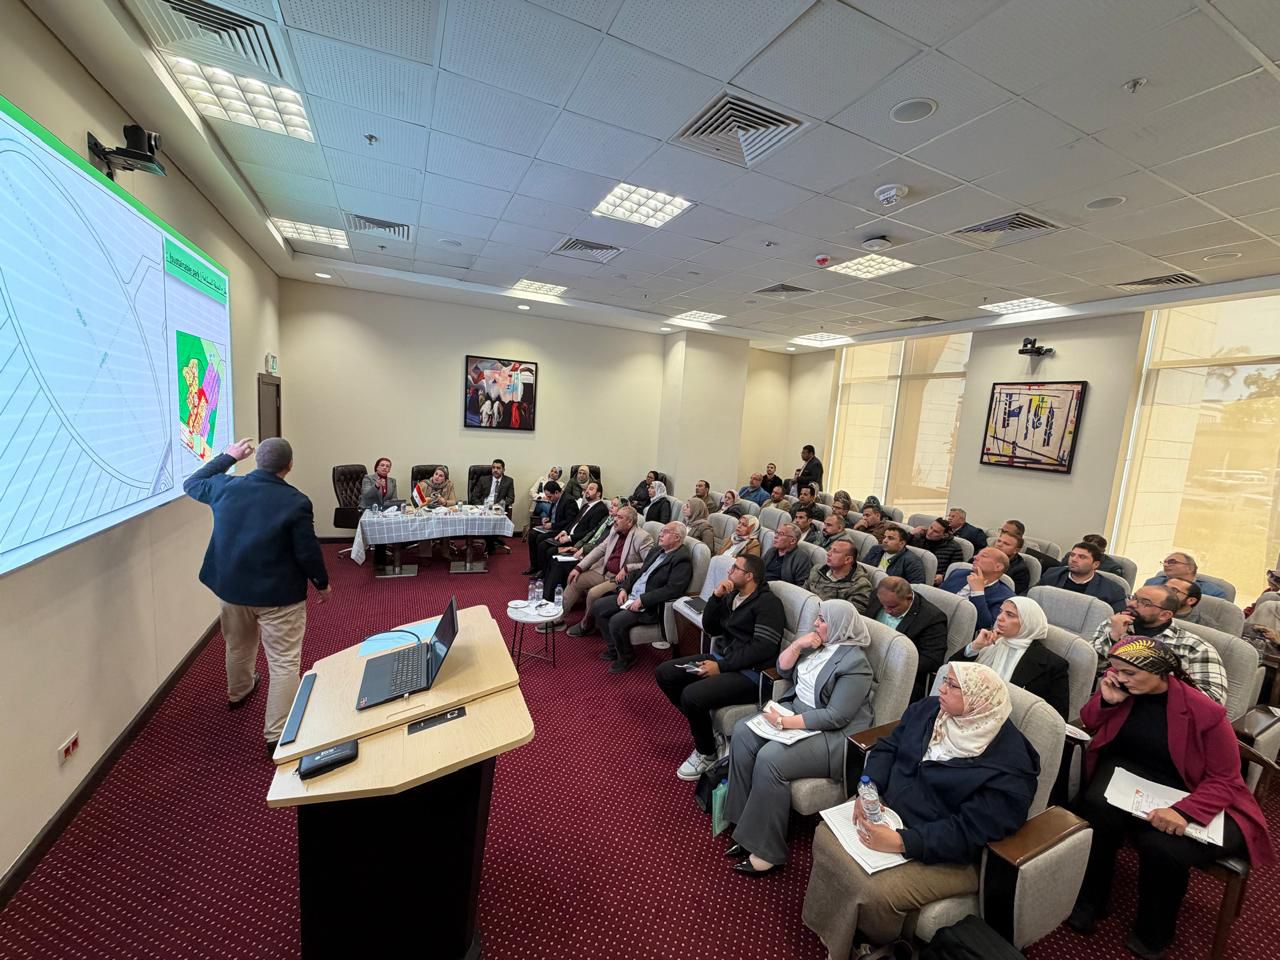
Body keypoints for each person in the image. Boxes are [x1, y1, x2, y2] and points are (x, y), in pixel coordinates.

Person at [803, 662, 1039, 955]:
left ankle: (875, 943)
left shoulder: (1011, 766)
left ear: (978, 700)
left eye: (952, 685)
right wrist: (869, 788)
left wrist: (903, 842)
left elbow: (970, 831)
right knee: (827, 835)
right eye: (944, 681)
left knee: (875, 891)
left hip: (948, 851)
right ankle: (836, 931)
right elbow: (888, 747)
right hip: (892, 810)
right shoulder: (931, 710)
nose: (941, 689)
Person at [1068, 638, 1272, 957]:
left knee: (1162, 846)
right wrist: (1107, 702)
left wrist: (1185, 812)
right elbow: (1090, 722)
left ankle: (1154, 933)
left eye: (1130, 673)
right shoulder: (1120, 687)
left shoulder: (1203, 711)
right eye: (1116, 670)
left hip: (1190, 789)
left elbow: (1226, 779)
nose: (1119, 678)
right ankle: (1090, 900)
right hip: (1132, 776)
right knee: (1095, 808)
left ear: (1159, 672)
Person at [183, 437, 330, 755]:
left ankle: (238, 692)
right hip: (279, 596)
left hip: (232, 590)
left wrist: (229, 456)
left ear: (256, 461)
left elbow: (191, 483)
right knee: (284, 661)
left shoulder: (225, 488)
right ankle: (277, 734)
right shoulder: (296, 501)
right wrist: (321, 583)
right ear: (289, 466)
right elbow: (307, 551)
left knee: (238, 644)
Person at [724, 600, 876, 875]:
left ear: (839, 625)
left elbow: (836, 716)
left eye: (822, 620)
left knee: (770, 759)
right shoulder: (816, 645)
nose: (816, 623)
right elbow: (783, 670)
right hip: (796, 711)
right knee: (743, 732)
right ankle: (742, 825)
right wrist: (796, 646)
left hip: (831, 734)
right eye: (817, 617)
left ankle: (767, 852)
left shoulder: (856, 664)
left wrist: (784, 723)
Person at [655, 553, 784, 780]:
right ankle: (708, 730)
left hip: (751, 674)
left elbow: (762, 649)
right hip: (723, 659)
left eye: (735, 568)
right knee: (665, 673)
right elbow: (711, 628)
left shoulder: (768, 604)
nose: (729, 571)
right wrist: (716, 597)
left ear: (749, 575)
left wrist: (721, 667)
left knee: (691, 696)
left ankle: (706, 753)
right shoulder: (732, 595)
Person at [1089, 585, 1229, 706]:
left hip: (1163, 712)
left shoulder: (1194, 647)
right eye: (1134, 598)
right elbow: (1090, 669)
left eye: (1145, 603)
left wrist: (1158, 684)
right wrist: (1114, 637)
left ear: (1165, 615)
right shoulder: (1115, 624)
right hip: (1110, 703)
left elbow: (1214, 700)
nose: (1132, 604)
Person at [590, 521, 692, 673]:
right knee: (598, 607)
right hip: (631, 595)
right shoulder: (657, 550)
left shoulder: (682, 559)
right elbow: (638, 573)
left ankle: (627, 657)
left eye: (665, 532)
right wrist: (624, 589)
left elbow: (673, 590)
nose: (660, 534)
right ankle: (614, 649)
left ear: (677, 537)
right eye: (661, 531)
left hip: (650, 605)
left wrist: (643, 600)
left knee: (616, 621)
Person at [949, 596, 1069, 718]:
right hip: (965, 711)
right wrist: (975, 647)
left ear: (1027, 623)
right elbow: (950, 672)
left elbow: (1057, 718)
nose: (999, 618)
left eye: (1010, 615)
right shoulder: (990, 642)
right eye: (1000, 612)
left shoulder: (1052, 665)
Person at [564, 506, 653, 637]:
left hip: (619, 579)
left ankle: (586, 625)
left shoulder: (642, 537)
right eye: (615, 516)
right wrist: (579, 567)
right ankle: (559, 617)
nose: (615, 520)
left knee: (593, 594)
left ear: (630, 522)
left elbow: (650, 563)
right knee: (575, 580)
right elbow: (599, 549)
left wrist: (628, 567)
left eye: (620, 517)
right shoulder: (615, 530)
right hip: (604, 572)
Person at [865, 577, 948, 701]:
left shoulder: (932, 619)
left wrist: (891, 665)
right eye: (884, 606)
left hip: (899, 674)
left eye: (893, 607)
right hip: (868, 658)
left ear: (909, 599)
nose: (887, 611)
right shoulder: (879, 597)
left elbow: (932, 660)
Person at [529, 481, 604, 579]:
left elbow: (590, 532)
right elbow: (573, 522)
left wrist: (569, 537)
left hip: (576, 540)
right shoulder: (586, 506)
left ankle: (545, 574)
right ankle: (541, 571)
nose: (587, 491)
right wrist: (565, 531)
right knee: (539, 540)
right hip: (568, 533)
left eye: (591, 489)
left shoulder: (600, 509)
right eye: (586, 489)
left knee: (545, 546)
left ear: (598, 493)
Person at [939, 547, 1014, 632]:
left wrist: (978, 592)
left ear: (998, 567)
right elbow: (939, 598)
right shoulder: (958, 573)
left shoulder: (1005, 597)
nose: (975, 557)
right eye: (977, 554)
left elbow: (986, 626)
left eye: (984, 556)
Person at [1038, 541, 1127, 612]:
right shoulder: (1051, 575)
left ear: (1095, 564)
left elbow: (1117, 621)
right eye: (1072, 555)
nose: (1074, 559)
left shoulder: (1113, 591)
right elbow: (1034, 598)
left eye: (1082, 557)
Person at [521, 480, 580, 575]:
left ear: (556, 492)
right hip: (553, 526)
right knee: (532, 534)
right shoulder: (555, 499)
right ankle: (534, 566)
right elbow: (554, 513)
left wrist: (552, 525)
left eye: (549, 497)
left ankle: (542, 570)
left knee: (540, 538)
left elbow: (570, 521)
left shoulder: (569, 501)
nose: (549, 499)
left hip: (561, 530)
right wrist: (547, 519)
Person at [804, 539, 872, 612]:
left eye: (835, 551)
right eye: (830, 549)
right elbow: (803, 594)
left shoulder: (861, 585)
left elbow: (850, 615)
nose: (828, 553)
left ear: (848, 559)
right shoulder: (817, 569)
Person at [469, 458, 515, 554]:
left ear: (503, 470)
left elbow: (511, 498)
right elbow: (474, 496)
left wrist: (500, 504)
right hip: (483, 508)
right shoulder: (483, 479)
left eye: (498, 468)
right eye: (493, 467)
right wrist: (482, 507)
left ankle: (490, 543)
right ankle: (490, 544)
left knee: (494, 518)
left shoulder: (509, 481)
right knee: (486, 518)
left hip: (497, 509)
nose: (495, 470)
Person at [1144, 551, 1228, 599]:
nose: (1165, 565)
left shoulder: (1213, 593)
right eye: (1164, 562)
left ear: (1190, 568)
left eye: (1172, 562)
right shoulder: (1152, 582)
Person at [908, 518, 965, 587]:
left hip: (933, 582)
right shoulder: (919, 537)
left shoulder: (955, 548)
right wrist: (911, 534)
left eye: (936, 531)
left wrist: (943, 577)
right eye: (931, 527)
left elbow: (956, 570)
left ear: (944, 535)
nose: (930, 532)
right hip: (912, 574)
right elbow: (900, 547)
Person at [760, 522, 813, 587]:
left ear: (793, 541)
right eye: (776, 532)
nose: (775, 536)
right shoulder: (771, 551)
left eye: (781, 534)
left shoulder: (802, 559)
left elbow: (800, 586)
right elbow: (760, 569)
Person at [990, 529, 1032, 595]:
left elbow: (1014, 595)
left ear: (1016, 550)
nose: (999, 545)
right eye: (999, 541)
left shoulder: (1021, 571)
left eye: (1006, 544)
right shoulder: (983, 556)